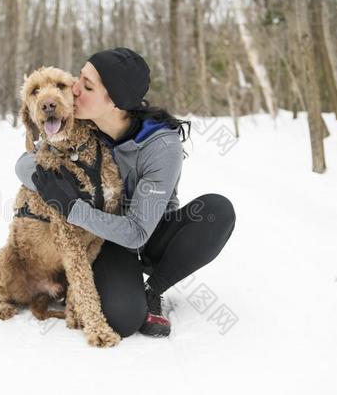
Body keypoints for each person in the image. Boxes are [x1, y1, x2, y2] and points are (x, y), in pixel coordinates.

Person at [16, 47, 236, 338]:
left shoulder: (161, 145)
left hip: (149, 233)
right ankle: (124, 290)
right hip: (106, 239)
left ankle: (153, 289)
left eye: (87, 86)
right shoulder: (83, 126)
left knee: (217, 210)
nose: (75, 89)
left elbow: (136, 232)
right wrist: (49, 182)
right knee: (123, 319)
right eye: (79, 78)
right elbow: (25, 163)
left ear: (116, 102)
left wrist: (72, 209)